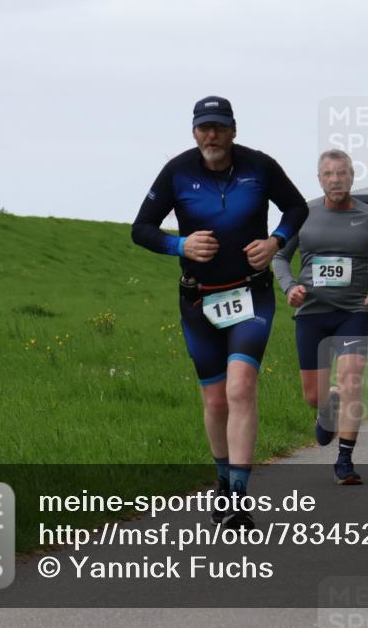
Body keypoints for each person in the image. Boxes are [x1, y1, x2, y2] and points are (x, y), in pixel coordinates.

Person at [131, 96, 308, 528]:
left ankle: (239, 496)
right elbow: (141, 229)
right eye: (204, 127)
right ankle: (222, 478)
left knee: (240, 388)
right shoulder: (177, 171)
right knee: (214, 399)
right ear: (194, 132)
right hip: (198, 300)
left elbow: (298, 208)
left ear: (233, 130)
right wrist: (179, 244)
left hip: (251, 296)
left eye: (219, 127)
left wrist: (276, 241)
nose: (211, 135)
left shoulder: (260, 166)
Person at [273, 149, 368, 485]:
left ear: (352, 176)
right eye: (328, 174)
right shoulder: (302, 214)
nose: (335, 179)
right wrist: (289, 288)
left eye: (341, 173)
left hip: (352, 313)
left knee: (352, 379)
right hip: (311, 314)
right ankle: (326, 403)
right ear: (319, 179)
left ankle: (345, 459)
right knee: (313, 397)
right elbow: (280, 258)